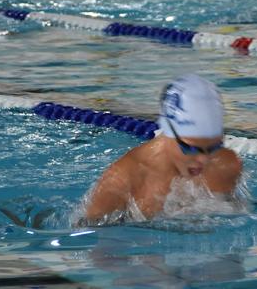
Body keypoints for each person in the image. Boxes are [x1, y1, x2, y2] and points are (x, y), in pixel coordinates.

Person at [79, 74, 245, 225]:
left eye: (214, 147)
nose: (205, 160)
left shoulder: (226, 166)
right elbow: (94, 244)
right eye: (191, 148)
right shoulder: (123, 180)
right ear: (168, 132)